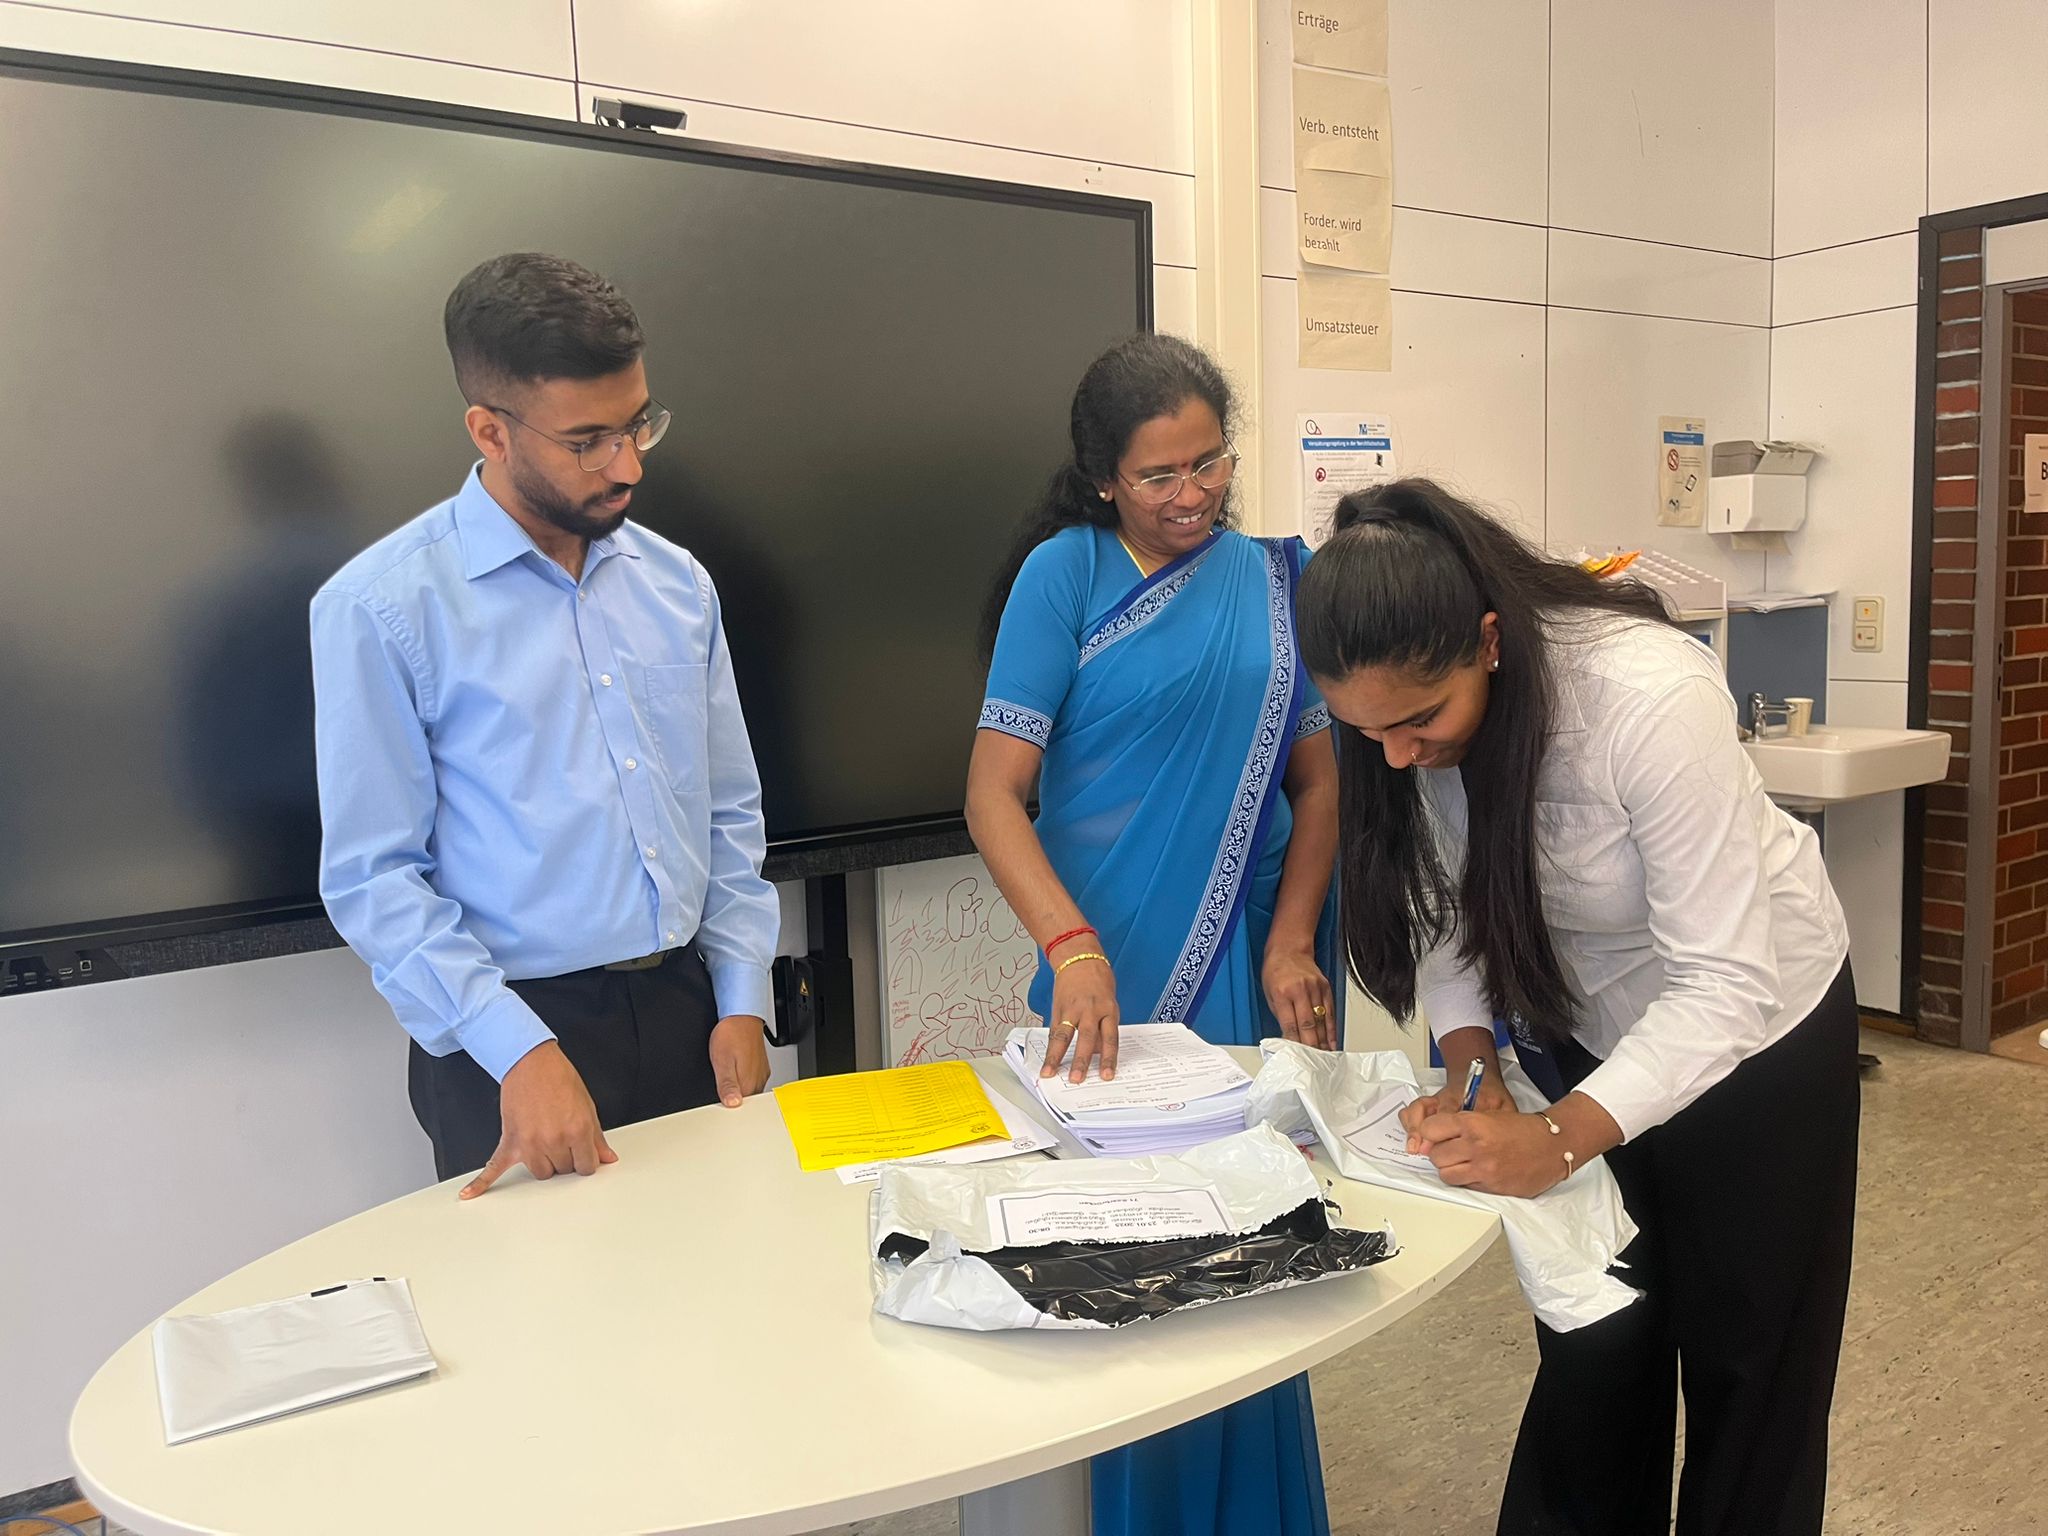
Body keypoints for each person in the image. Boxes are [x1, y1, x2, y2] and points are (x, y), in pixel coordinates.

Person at [1296, 478, 1858, 1536]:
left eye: (1419, 721)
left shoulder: (1647, 697)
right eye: (1368, 732)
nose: (1397, 754)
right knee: (1599, 1334)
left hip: (1760, 1038)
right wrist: (1474, 1073)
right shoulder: (1402, 723)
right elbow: (1453, 911)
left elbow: (1723, 984)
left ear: (1488, 643)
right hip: (1585, 1023)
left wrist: (1556, 1139)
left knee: (1750, 1361)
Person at [965, 333, 1342, 1536]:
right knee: (1132, 1288)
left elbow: (1319, 786)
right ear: (1102, 480)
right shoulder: (1064, 575)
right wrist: (1070, 947)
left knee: (1248, 1276)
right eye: (1158, 476)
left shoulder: (1275, 581)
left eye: (1209, 462)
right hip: (1103, 993)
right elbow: (992, 794)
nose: (1192, 496)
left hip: (1239, 976)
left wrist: (1291, 942)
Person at [311, 253, 780, 1197]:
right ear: (490, 430)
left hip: (689, 1009)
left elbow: (726, 808)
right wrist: (517, 1051)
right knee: (544, 1292)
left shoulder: (678, 584)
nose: (629, 464)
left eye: (639, 423)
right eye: (588, 441)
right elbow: (374, 876)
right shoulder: (383, 607)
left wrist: (741, 994)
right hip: (508, 1038)